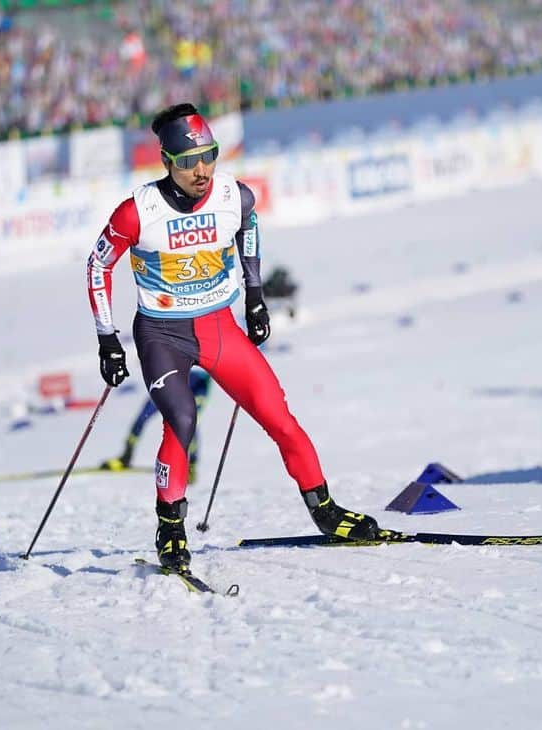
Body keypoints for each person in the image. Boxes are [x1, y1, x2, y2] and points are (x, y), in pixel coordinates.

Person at [86, 103, 386, 570]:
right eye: (188, 162)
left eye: (209, 155)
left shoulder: (234, 196)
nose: (201, 170)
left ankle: (325, 512)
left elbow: (248, 230)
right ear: (166, 161)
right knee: (182, 421)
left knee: (278, 416)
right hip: (163, 334)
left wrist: (255, 296)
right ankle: (170, 529)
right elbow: (97, 265)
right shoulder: (136, 212)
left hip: (219, 326)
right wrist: (107, 337)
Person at [99, 368, 211, 483]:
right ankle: (126, 456)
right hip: (170, 376)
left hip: (197, 382)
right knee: (143, 416)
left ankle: (191, 466)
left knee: (188, 423)